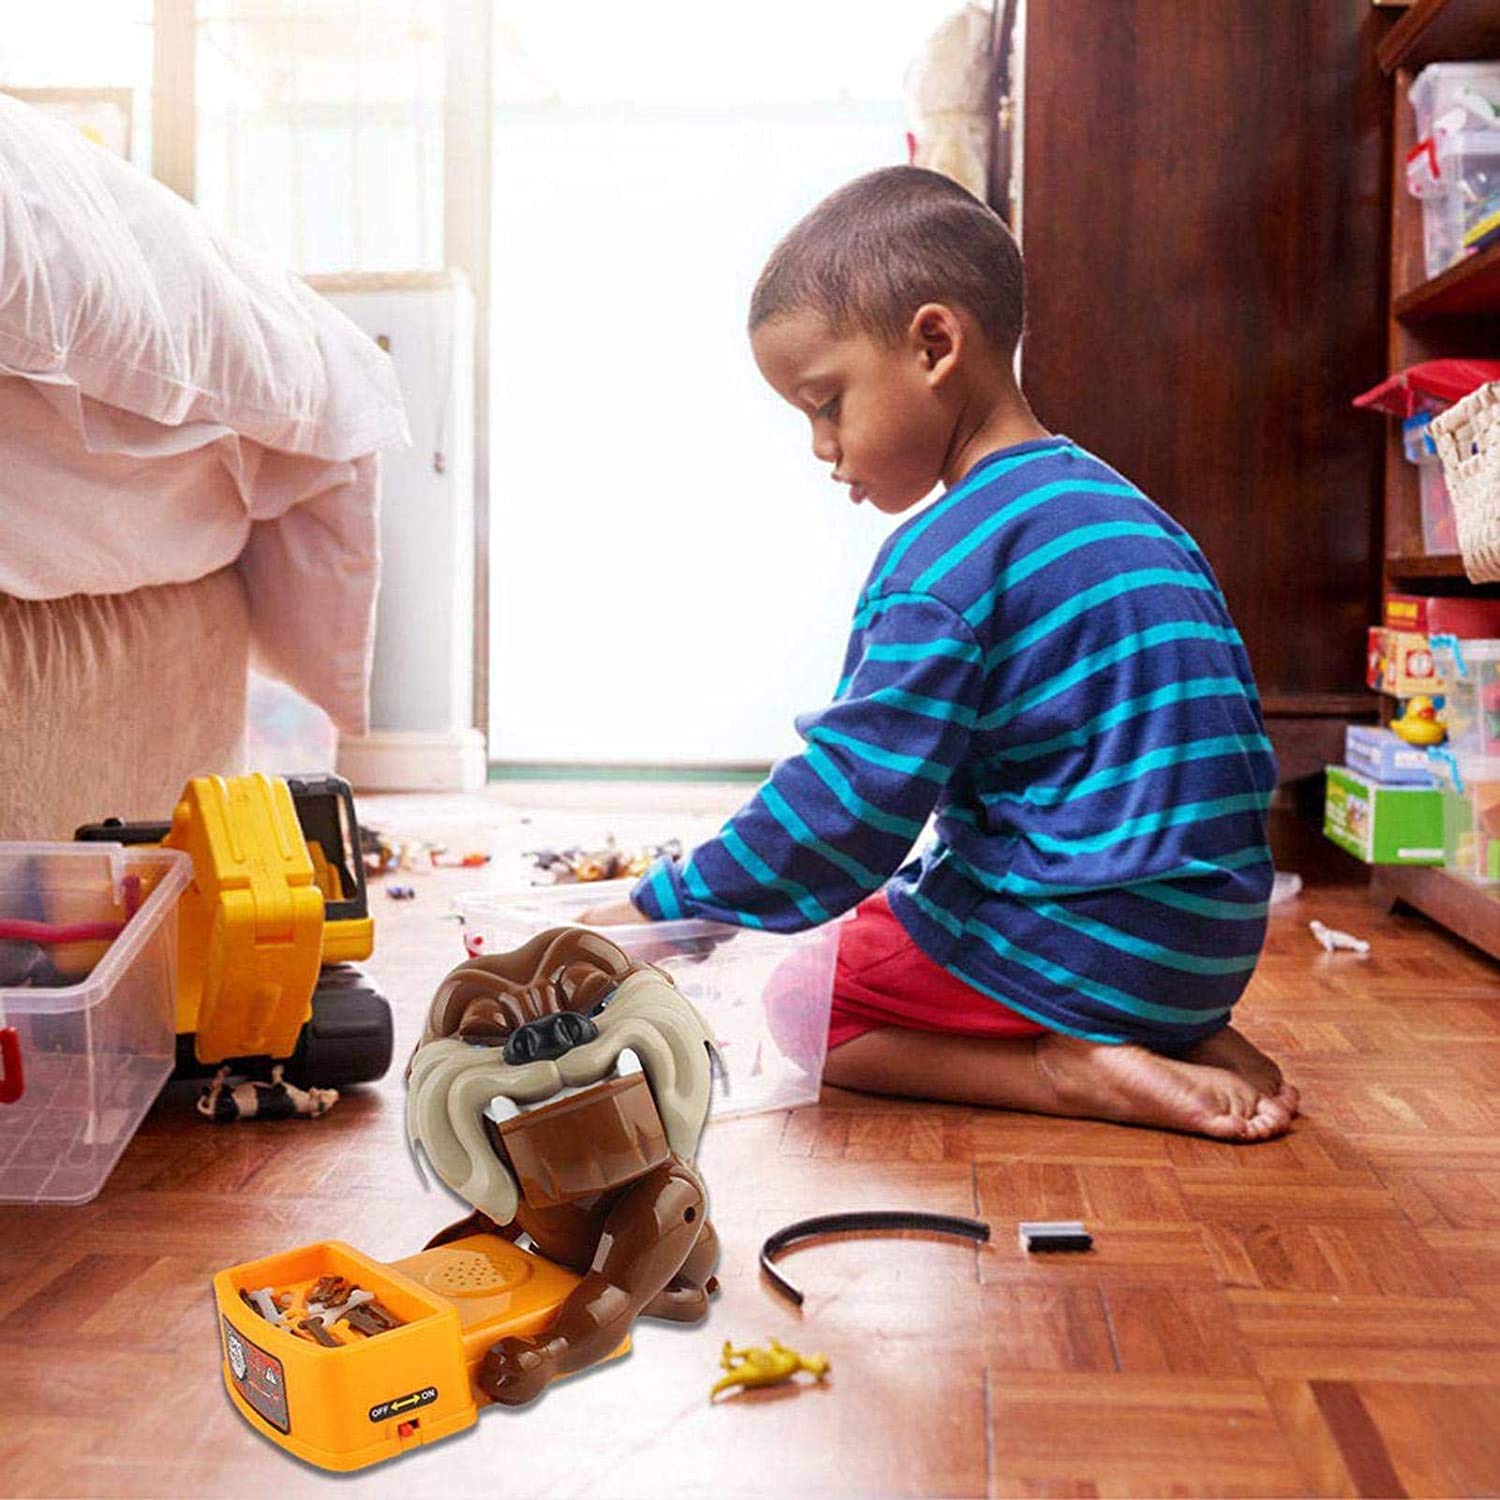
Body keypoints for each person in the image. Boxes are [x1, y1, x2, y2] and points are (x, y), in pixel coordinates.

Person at [580, 165, 1296, 1142]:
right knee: (910, 901)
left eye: (825, 403)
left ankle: (1066, 1068)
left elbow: (848, 810)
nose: (821, 446)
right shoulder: (1131, 512)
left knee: (808, 999)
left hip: (1083, 947)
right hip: (1207, 946)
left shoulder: (944, 558)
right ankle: (1175, 1036)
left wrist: (665, 915)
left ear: (933, 346)